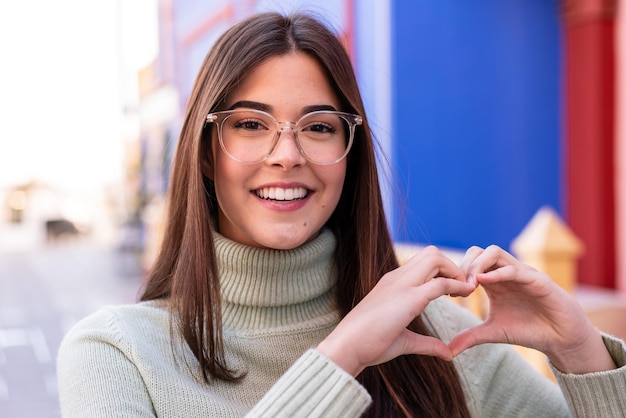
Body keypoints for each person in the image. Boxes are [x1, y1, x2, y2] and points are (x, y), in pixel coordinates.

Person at [57, 11, 626, 417]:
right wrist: (343, 355)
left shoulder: (438, 338)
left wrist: (581, 354)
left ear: (348, 156)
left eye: (320, 127)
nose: (287, 154)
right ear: (206, 153)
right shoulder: (116, 355)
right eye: (251, 124)